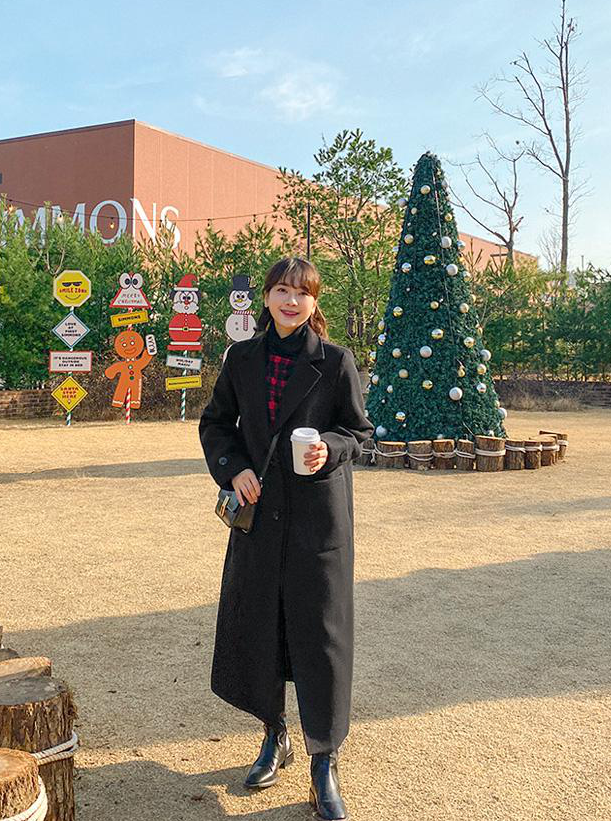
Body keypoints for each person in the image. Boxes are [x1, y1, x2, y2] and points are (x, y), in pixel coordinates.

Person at [199, 256, 374, 821]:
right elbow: (216, 424)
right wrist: (233, 469)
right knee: (262, 628)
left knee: (322, 638)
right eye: (281, 290)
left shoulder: (336, 361)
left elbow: (359, 433)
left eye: (302, 292)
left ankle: (325, 760)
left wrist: (330, 448)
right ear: (267, 298)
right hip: (259, 519)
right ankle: (274, 735)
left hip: (319, 523)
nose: (291, 301)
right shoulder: (242, 358)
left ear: (314, 301)